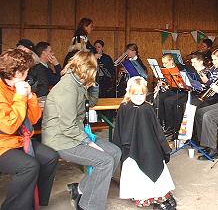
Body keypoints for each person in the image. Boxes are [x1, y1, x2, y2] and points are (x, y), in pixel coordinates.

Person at [41, 51, 121, 210]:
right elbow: (67, 126)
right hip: (60, 140)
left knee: (115, 152)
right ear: (87, 68)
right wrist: (90, 143)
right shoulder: (67, 87)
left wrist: (94, 86)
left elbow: (90, 103)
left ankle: (80, 189)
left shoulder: (77, 82)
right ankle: (89, 206)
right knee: (105, 161)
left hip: (75, 134)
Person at [0, 49, 58, 210]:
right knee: (29, 166)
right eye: (26, 71)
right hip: (3, 145)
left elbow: (32, 119)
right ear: (18, 72)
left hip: (20, 140)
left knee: (50, 157)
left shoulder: (18, 86)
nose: (28, 74)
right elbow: (9, 126)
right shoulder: (3, 90)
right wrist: (20, 97)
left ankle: (36, 202)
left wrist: (31, 97)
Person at [113, 77, 176, 209]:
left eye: (141, 94)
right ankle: (141, 196)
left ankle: (159, 196)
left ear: (145, 93)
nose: (139, 97)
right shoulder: (124, 107)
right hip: (130, 149)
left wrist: (163, 147)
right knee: (135, 171)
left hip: (149, 147)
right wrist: (119, 148)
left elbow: (157, 129)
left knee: (154, 165)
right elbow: (119, 129)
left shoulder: (147, 108)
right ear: (129, 93)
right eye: (135, 94)